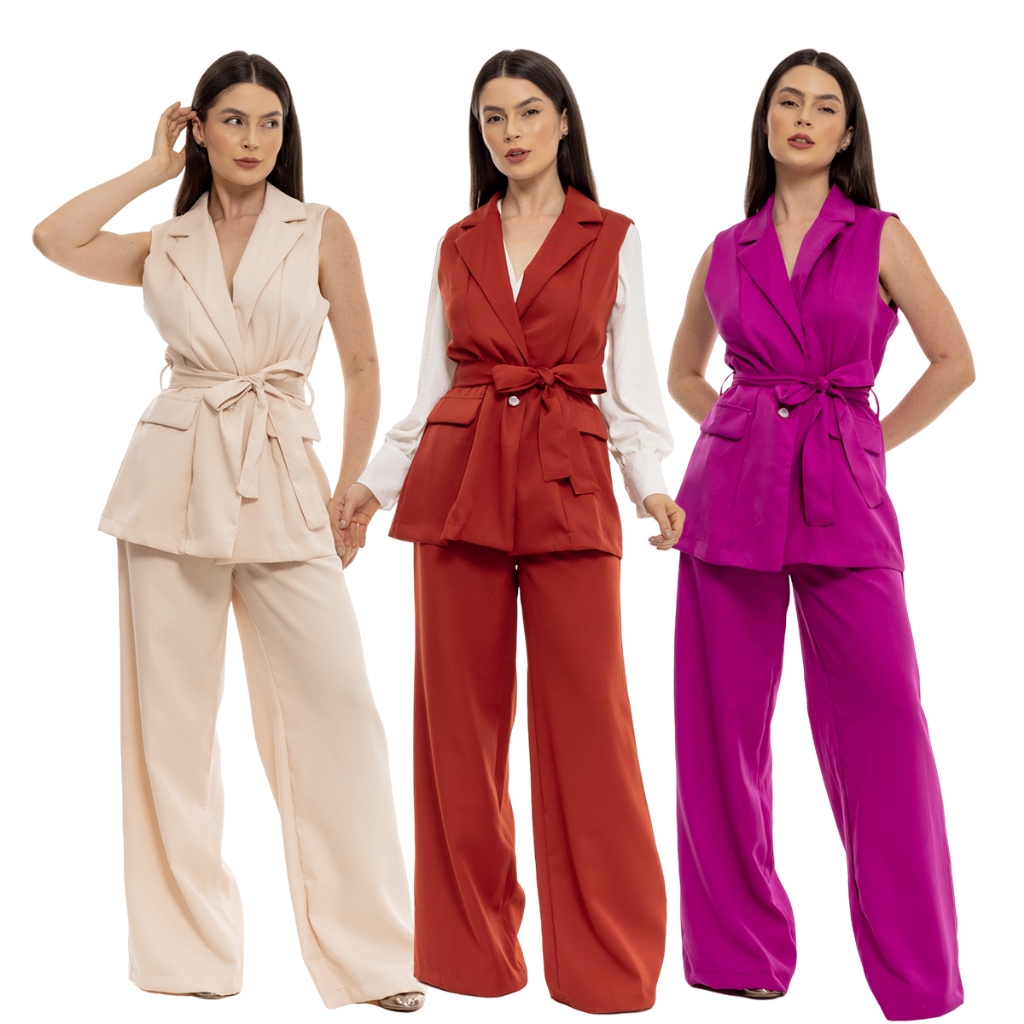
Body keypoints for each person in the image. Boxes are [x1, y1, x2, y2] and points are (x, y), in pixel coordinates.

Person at [32, 51, 423, 1012]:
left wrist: (354, 488)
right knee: (169, 730)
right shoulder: (164, 242)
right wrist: (151, 170)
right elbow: (52, 237)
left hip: (286, 475)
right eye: (235, 121)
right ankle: (189, 964)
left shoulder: (321, 228)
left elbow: (364, 366)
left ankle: (371, 961)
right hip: (170, 481)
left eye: (271, 122)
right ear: (199, 129)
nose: (255, 139)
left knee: (339, 718)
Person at [340, 49, 682, 1014]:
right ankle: (470, 958)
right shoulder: (457, 242)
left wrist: (653, 488)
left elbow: (632, 384)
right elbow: (429, 390)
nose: (511, 132)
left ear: (564, 120)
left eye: (529, 111)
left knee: (590, 727)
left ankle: (606, 966)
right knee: (458, 729)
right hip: (458, 484)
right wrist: (368, 490)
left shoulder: (613, 236)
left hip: (570, 479)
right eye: (493, 117)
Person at [667, 49, 972, 1021]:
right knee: (719, 731)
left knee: (884, 725)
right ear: (766, 124)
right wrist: (735, 430)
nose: (803, 116)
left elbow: (954, 360)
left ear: (846, 135)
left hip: (844, 493)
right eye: (788, 102)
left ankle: (917, 978)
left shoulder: (880, 235)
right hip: (730, 498)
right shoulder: (726, 248)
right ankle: (738, 956)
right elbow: (682, 374)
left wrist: (865, 441)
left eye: (825, 106)